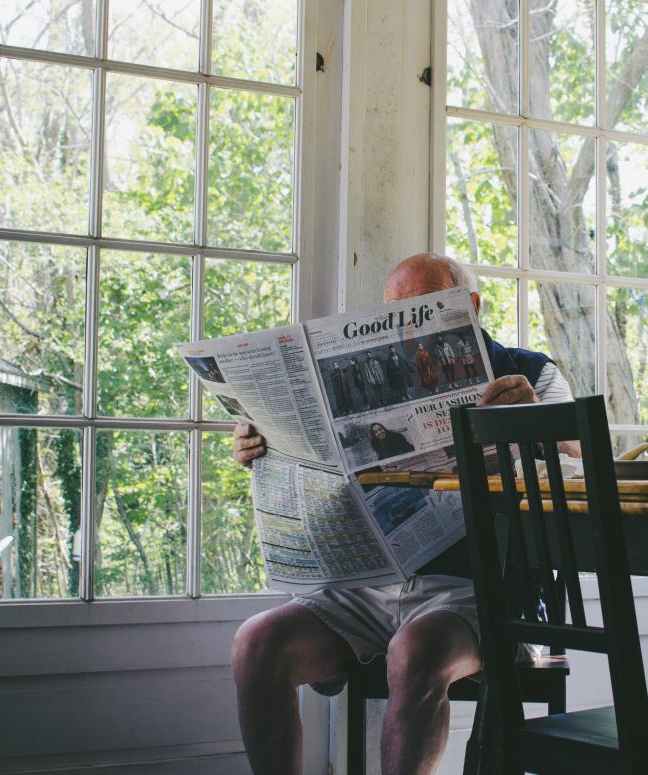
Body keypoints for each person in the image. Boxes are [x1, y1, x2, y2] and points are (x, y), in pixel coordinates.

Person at [230, 253, 575, 775]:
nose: (409, 326)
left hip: (476, 591)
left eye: (426, 307)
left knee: (415, 652)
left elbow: (580, 471)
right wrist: (260, 443)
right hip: (363, 586)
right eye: (397, 311)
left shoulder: (529, 373)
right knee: (256, 644)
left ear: (471, 307)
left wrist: (532, 424)